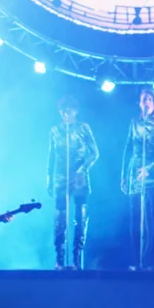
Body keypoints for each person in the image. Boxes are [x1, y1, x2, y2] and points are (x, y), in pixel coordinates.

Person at [121, 88, 154, 269]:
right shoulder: (135, 122)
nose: (147, 102)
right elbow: (128, 148)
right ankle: (138, 260)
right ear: (140, 103)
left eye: (150, 99)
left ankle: (152, 259)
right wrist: (124, 176)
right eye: (144, 99)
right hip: (136, 171)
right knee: (136, 216)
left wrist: (150, 169)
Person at [47, 98, 100, 270]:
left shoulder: (83, 128)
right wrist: (49, 178)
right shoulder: (54, 130)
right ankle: (60, 259)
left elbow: (95, 153)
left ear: (75, 111)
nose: (65, 113)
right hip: (60, 178)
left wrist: (83, 169)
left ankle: (77, 259)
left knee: (80, 217)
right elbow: (51, 157)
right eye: (62, 110)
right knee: (60, 219)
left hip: (79, 178)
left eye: (69, 109)